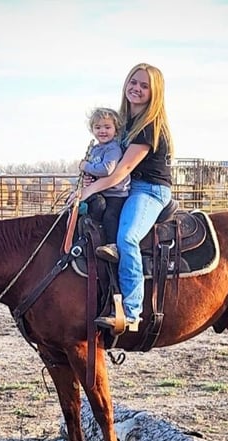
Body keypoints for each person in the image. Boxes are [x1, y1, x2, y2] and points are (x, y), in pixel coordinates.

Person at [73, 63, 174, 332]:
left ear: (155, 93)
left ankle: (131, 312)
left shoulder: (149, 126)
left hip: (149, 189)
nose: (136, 88)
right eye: (133, 82)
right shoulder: (121, 122)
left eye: (144, 85)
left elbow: (123, 169)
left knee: (127, 237)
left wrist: (91, 189)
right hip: (124, 186)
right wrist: (90, 174)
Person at [78, 108, 130, 250]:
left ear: (116, 130)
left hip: (116, 194)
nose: (102, 131)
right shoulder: (95, 149)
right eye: (98, 127)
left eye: (107, 127)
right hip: (101, 191)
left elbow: (106, 169)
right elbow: (94, 171)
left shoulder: (113, 149)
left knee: (110, 216)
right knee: (82, 208)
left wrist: (86, 166)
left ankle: (112, 245)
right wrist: (88, 179)